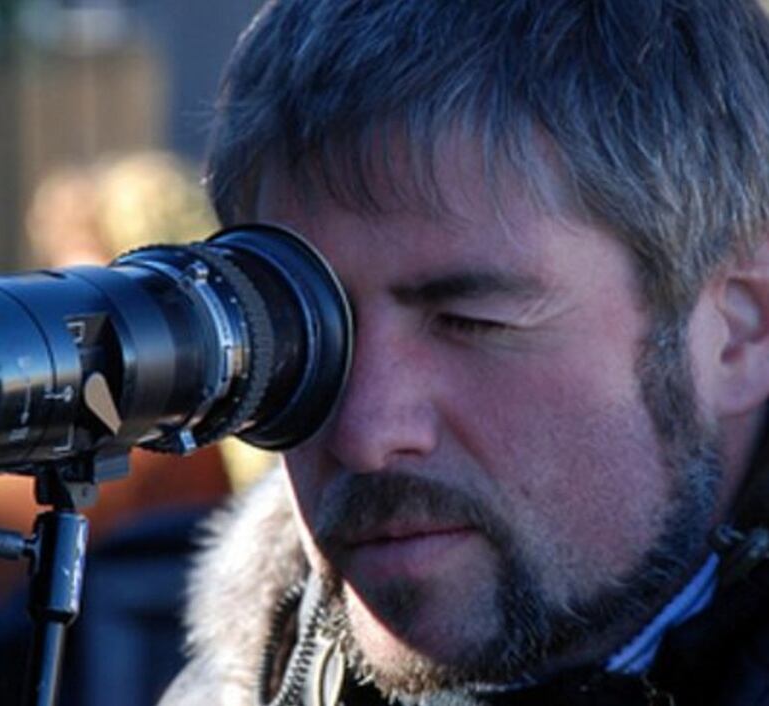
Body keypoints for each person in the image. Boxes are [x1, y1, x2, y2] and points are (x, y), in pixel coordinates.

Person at [159, 1, 769, 704]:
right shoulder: (242, 681)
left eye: (468, 322)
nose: (364, 433)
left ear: (738, 332)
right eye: (310, 334)